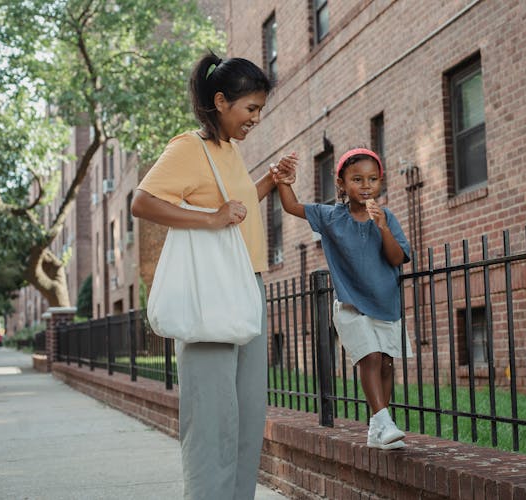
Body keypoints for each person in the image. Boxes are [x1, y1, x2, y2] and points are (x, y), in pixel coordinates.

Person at [131, 51, 294, 499]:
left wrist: (267, 182)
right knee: (212, 419)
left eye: (260, 109)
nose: (256, 118)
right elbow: (142, 202)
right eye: (251, 108)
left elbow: (232, 212)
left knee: (245, 415)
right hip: (212, 292)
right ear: (221, 101)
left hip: (247, 286)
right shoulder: (189, 147)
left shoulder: (229, 151)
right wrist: (209, 218)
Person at [273, 148, 413, 450]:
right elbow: (293, 206)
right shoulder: (330, 217)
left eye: (373, 179)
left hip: (386, 303)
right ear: (341, 184)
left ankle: (378, 428)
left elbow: (397, 258)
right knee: (370, 357)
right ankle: (384, 421)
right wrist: (284, 181)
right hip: (350, 303)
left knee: (387, 364)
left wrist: (383, 228)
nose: (366, 186)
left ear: (381, 182)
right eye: (357, 179)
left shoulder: (386, 217)